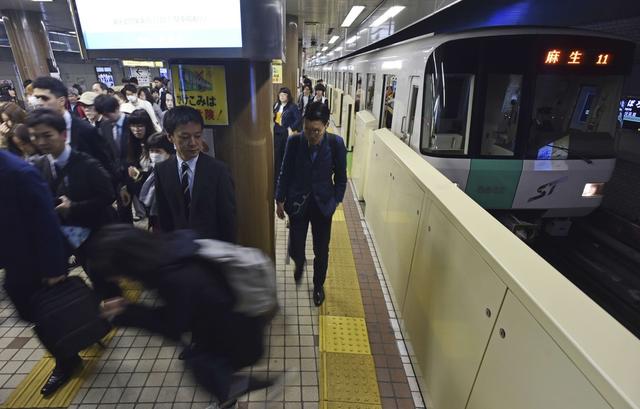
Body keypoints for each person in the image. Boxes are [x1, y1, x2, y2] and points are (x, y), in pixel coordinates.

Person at [87, 225, 273, 407]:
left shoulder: (172, 277)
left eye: (117, 274)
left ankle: (239, 389)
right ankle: (233, 393)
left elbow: (173, 326)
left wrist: (126, 312)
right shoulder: (170, 245)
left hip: (233, 330)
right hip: (229, 316)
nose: (118, 279)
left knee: (203, 365)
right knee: (208, 366)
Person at [0, 149, 82, 396]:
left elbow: (47, 220)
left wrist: (55, 267)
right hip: (13, 259)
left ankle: (67, 358)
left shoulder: (18, 172)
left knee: (45, 313)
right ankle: (69, 350)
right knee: (33, 312)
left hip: (34, 261)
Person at [26, 108, 119, 302]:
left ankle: (115, 309)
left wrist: (74, 207)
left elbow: (108, 196)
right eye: (35, 137)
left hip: (96, 232)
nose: (41, 142)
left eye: (47, 135)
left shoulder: (87, 164)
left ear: (63, 134)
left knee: (103, 278)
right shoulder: (38, 165)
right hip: (66, 235)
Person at [275, 102, 347, 306]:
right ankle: (298, 262)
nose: (311, 135)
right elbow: (285, 171)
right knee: (297, 245)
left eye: (316, 131)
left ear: (325, 125)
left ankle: (318, 285)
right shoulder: (295, 142)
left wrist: (335, 201)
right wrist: (279, 199)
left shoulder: (336, 144)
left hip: (323, 205)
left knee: (321, 249)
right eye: (307, 129)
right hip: (298, 203)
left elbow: (341, 179)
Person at [155, 106, 237, 242]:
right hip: (178, 248)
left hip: (211, 249)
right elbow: (164, 215)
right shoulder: (162, 170)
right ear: (170, 137)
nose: (193, 143)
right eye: (185, 137)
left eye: (198, 136)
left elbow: (227, 218)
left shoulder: (218, 170)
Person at [31, 76, 112, 174]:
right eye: (37, 98)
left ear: (61, 101)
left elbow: (107, 168)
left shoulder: (85, 130)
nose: (39, 103)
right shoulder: (36, 131)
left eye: (44, 98)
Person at [95, 94, 135, 223]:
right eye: (104, 115)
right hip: (117, 176)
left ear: (117, 108)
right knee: (123, 209)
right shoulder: (104, 126)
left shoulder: (132, 123)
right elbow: (107, 151)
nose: (106, 118)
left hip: (135, 172)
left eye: (108, 114)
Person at [139, 131, 175, 231]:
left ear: (168, 151)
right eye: (151, 151)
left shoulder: (174, 172)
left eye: (158, 151)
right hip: (155, 219)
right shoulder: (153, 170)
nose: (154, 155)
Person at [272, 87, 302, 190]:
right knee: (276, 157)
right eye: (280, 94)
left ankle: (285, 180)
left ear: (288, 97)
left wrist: (291, 128)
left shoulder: (292, 107)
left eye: (284, 95)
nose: (282, 96)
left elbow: (298, 119)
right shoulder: (276, 105)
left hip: (285, 134)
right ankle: (277, 181)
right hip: (276, 133)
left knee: (284, 156)